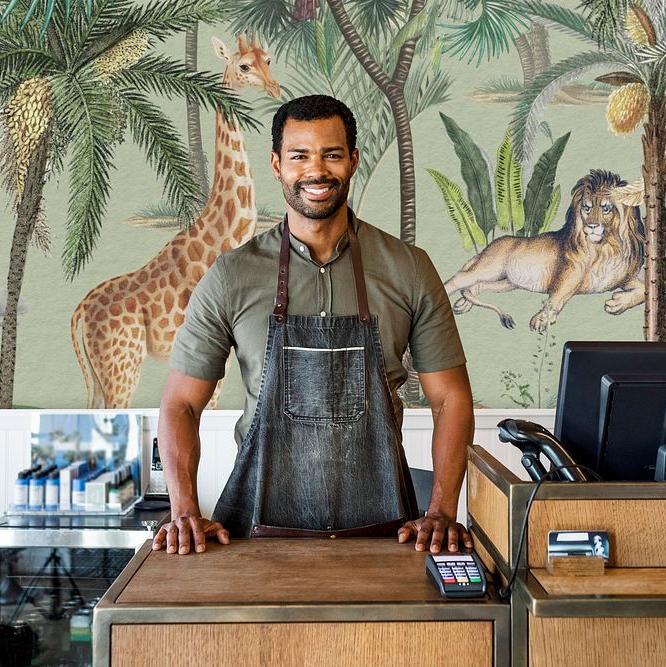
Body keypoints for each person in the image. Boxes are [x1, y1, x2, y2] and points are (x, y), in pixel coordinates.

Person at [153, 94, 475, 556]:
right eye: (299, 155)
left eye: (332, 154)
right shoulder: (232, 275)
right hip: (255, 537)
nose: (316, 170)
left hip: (386, 535)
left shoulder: (409, 269)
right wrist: (183, 509)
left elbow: (451, 398)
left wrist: (443, 510)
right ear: (276, 164)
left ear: (353, 161)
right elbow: (180, 404)